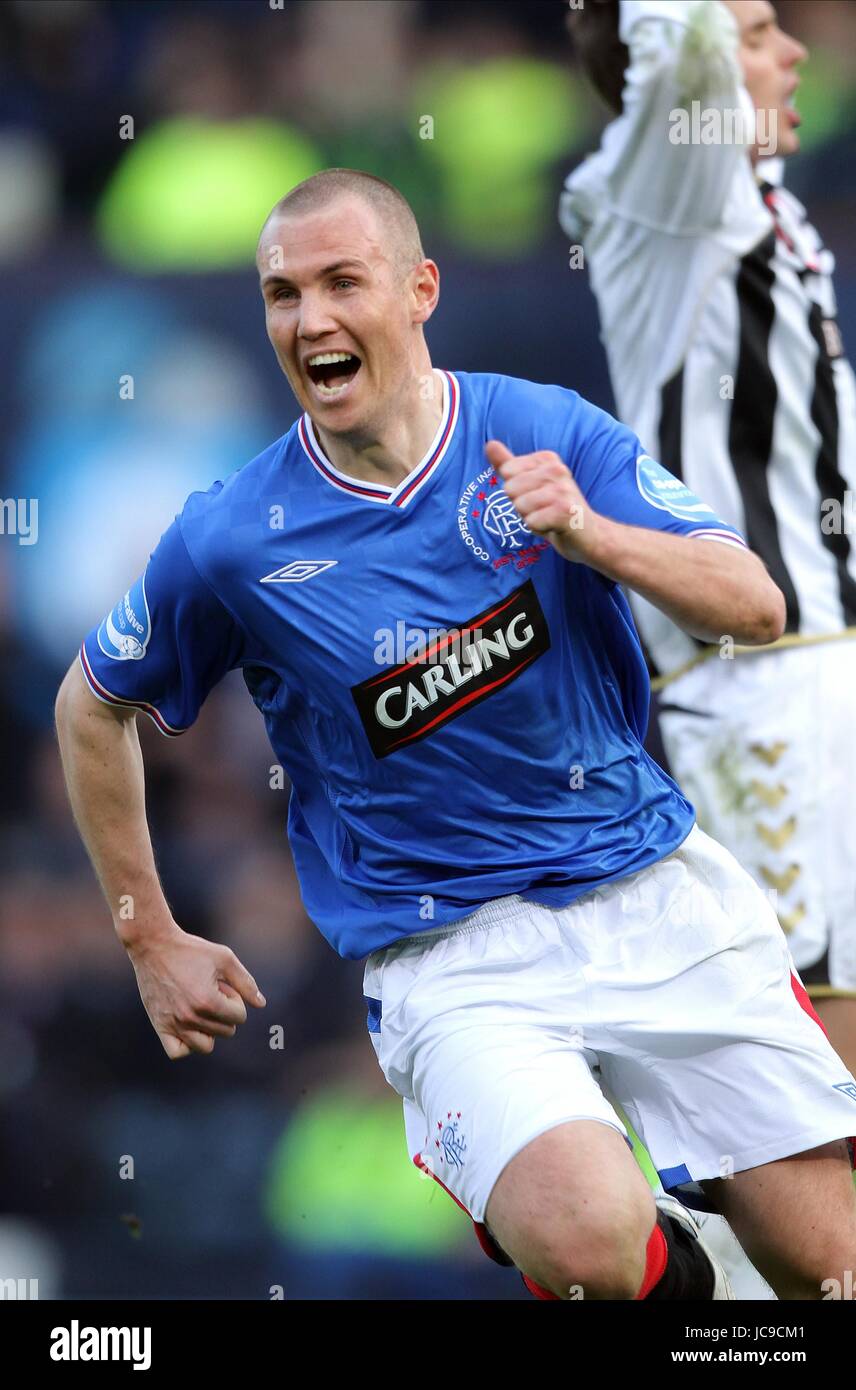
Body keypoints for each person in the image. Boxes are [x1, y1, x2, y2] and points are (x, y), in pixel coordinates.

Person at [55, 168, 856, 1301]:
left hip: (657, 896)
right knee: (590, 1252)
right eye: (283, 295)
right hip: (458, 955)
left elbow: (753, 602)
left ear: (420, 288)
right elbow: (90, 704)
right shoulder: (233, 537)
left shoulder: (539, 430)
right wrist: (149, 934)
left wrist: (592, 535)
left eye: (343, 282)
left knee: (829, 1277)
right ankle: (670, 1279)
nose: (311, 320)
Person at [561, 0, 856, 1078]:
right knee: (816, 1069)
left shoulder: (749, 202)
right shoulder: (669, 197)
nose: (793, 52)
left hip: (821, 673)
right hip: (767, 689)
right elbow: (679, 44)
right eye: (760, 30)